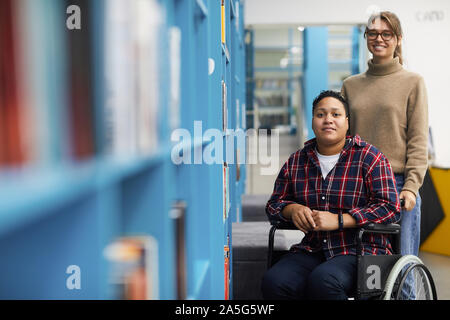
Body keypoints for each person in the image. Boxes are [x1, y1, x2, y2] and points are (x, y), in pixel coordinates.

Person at [261, 90, 400, 300]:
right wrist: (292, 210)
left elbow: (390, 208)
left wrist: (340, 220)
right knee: (275, 282)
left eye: (335, 114)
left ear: (347, 121)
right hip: (314, 248)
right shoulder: (297, 161)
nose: (328, 120)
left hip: (362, 250)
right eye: (321, 114)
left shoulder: (370, 158)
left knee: (324, 281)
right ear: (313, 121)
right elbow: (274, 204)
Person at [341, 11, 428, 261]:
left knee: (402, 268)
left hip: (398, 186)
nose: (379, 38)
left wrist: (411, 188)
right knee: (364, 268)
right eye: (373, 33)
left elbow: (418, 140)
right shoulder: (350, 85)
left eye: (386, 33)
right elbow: (342, 139)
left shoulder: (413, 82)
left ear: (398, 39)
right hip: (358, 187)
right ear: (366, 37)